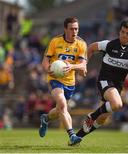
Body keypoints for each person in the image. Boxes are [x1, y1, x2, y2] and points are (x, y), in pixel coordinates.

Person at [76, 18, 128, 141]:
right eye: (123, 32)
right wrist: (84, 64)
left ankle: (78, 136)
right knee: (117, 104)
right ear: (119, 32)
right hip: (104, 80)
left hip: (117, 86)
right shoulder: (109, 44)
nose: (124, 35)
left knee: (103, 118)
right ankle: (92, 116)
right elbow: (91, 48)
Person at [39, 17, 87, 146]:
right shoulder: (55, 41)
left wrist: (72, 67)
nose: (74, 31)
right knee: (62, 103)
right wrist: (47, 69)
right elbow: (45, 60)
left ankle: (46, 118)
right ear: (65, 29)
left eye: (76, 28)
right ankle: (72, 136)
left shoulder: (81, 44)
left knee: (60, 109)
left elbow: (83, 66)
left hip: (70, 82)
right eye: (71, 29)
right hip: (55, 78)